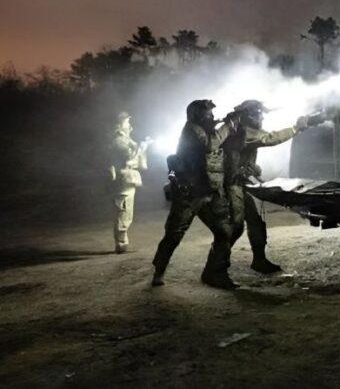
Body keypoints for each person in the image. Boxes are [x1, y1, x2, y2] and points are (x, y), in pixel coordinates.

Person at [222, 100, 320, 273]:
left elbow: (244, 153)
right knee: (236, 227)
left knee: (255, 223)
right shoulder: (242, 130)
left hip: (238, 183)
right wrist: (296, 128)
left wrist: (251, 167)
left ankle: (258, 260)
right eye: (259, 115)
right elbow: (270, 138)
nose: (262, 118)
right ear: (250, 116)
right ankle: (216, 265)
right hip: (230, 185)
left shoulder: (241, 129)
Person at [151, 100, 239, 289]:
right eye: (208, 116)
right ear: (196, 117)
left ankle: (216, 273)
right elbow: (210, 144)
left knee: (224, 232)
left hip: (209, 191)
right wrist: (227, 126)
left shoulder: (204, 130)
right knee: (174, 234)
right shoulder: (192, 130)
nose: (212, 118)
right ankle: (159, 270)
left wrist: (229, 124)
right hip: (189, 194)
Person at [108, 112, 150, 254]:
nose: (129, 124)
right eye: (126, 122)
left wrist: (141, 148)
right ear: (119, 125)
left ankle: (122, 242)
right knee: (123, 211)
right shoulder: (118, 140)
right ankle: (121, 243)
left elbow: (140, 164)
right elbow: (128, 157)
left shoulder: (126, 139)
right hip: (123, 178)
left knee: (126, 211)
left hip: (128, 178)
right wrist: (141, 148)